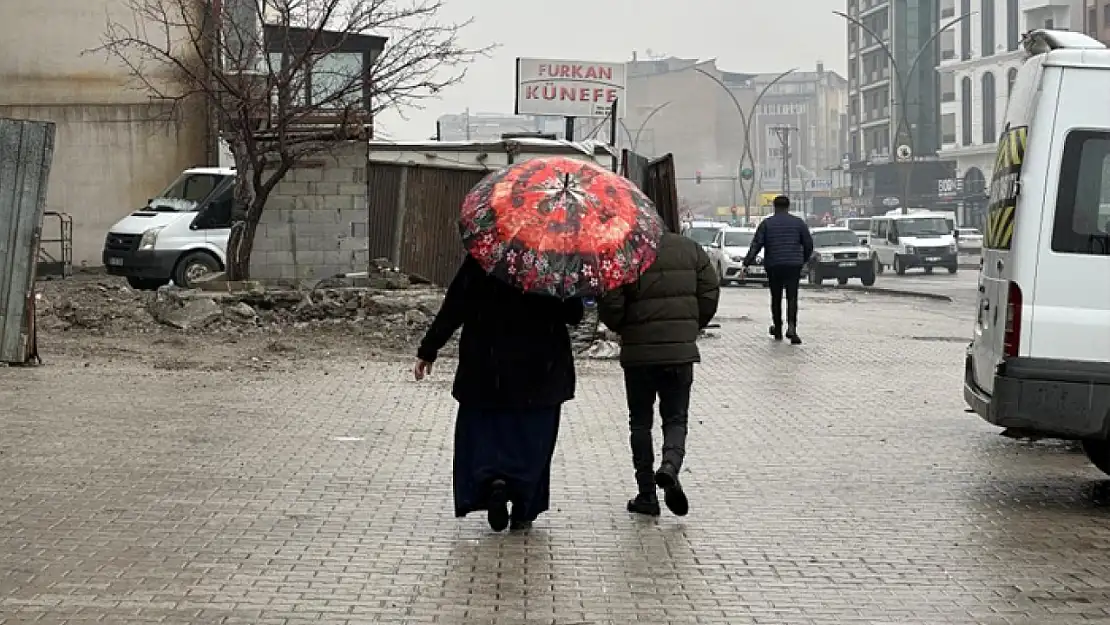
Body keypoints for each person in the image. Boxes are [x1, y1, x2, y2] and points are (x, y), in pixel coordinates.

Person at [414, 254, 584, 532]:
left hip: (487, 366)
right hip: (540, 370)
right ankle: (523, 505)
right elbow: (574, 314)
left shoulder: (486, 255)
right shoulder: (555, 259)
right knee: (533, 440)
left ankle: (494, 481)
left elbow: (456, 303)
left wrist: (429, 349)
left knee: (486, 433)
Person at [599, 231, 720, 517]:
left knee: (640, 423)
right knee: (676, 418)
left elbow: (611, 303)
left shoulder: (625, 253)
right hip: (680, 354)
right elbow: (710, 291)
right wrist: (690, 326)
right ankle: (670, 466)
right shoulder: (690, 249)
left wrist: (624, 326)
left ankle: (646, 495)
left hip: (639, 356)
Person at [742, 195, 813, 345]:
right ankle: (792, 328)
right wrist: (803, 260)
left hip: (774, 265)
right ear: (788, 207)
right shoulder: (798, 223)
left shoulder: (767, 224)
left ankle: (778, 329)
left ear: (774, 207)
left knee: (776, 297)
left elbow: (756, 244)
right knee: (792, 297)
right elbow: (808, 244)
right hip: (793, 265)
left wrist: (746, 263)